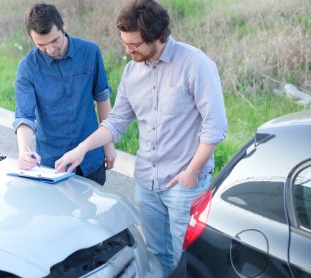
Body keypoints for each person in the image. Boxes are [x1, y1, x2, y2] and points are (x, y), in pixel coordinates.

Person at [55, 0, 228, 275]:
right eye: (124, 42)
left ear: (158, 37)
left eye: (134, 45)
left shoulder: (195, 64)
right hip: (146, 182)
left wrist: (191, 173)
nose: (127, 50)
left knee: (186, 259)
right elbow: (116, 122)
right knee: (157, 256)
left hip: (185, 185)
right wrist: (81, 149)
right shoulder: (131, 71)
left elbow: (215, 126)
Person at [12, 3, 116, 185]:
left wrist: (108, 145)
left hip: (91, 158)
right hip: (53, 164)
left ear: (64, 25)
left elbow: (102, 97)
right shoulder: (27, 67)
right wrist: (24, 152)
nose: (50, 49)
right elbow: (25, 117)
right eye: (41, 45)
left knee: (94, 213)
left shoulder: (90, 52)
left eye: (54, 41)